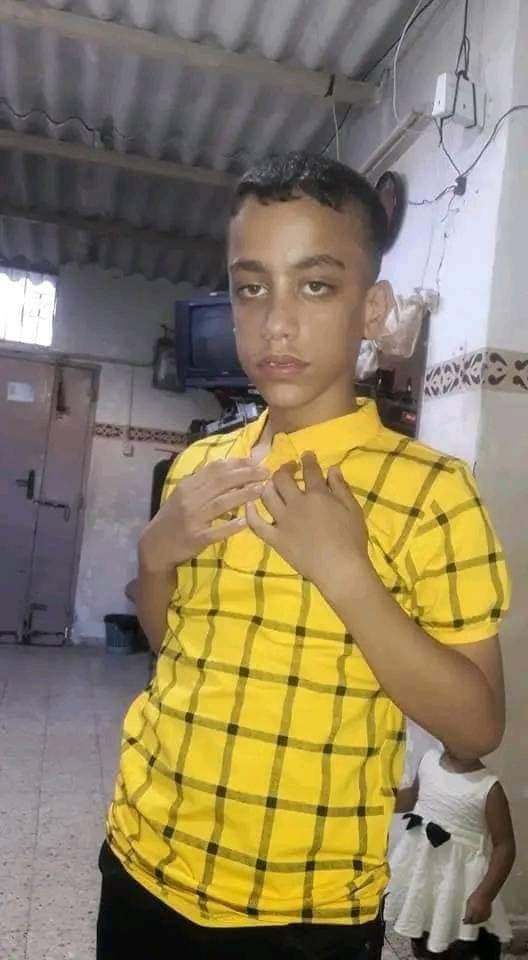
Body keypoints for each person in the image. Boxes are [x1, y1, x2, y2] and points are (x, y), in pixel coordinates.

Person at [97, 153, 511, 959]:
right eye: (252, 288)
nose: (275, 323)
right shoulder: (198, 468)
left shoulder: (435, 492)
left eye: (315, 285)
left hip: (304, 910)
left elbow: (477, 724)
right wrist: (155, 555)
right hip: (143, 856)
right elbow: (172, 644)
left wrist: (348, 576)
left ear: (371, 308)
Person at [386, 747, 515, 960]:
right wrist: (383, 798)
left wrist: (484, 895)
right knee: (423, 933)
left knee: (463, 941)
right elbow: (412, 796)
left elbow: (505, 846)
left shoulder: (488, 787)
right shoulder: (428, 759)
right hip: (424, 873)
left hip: (461, 885)